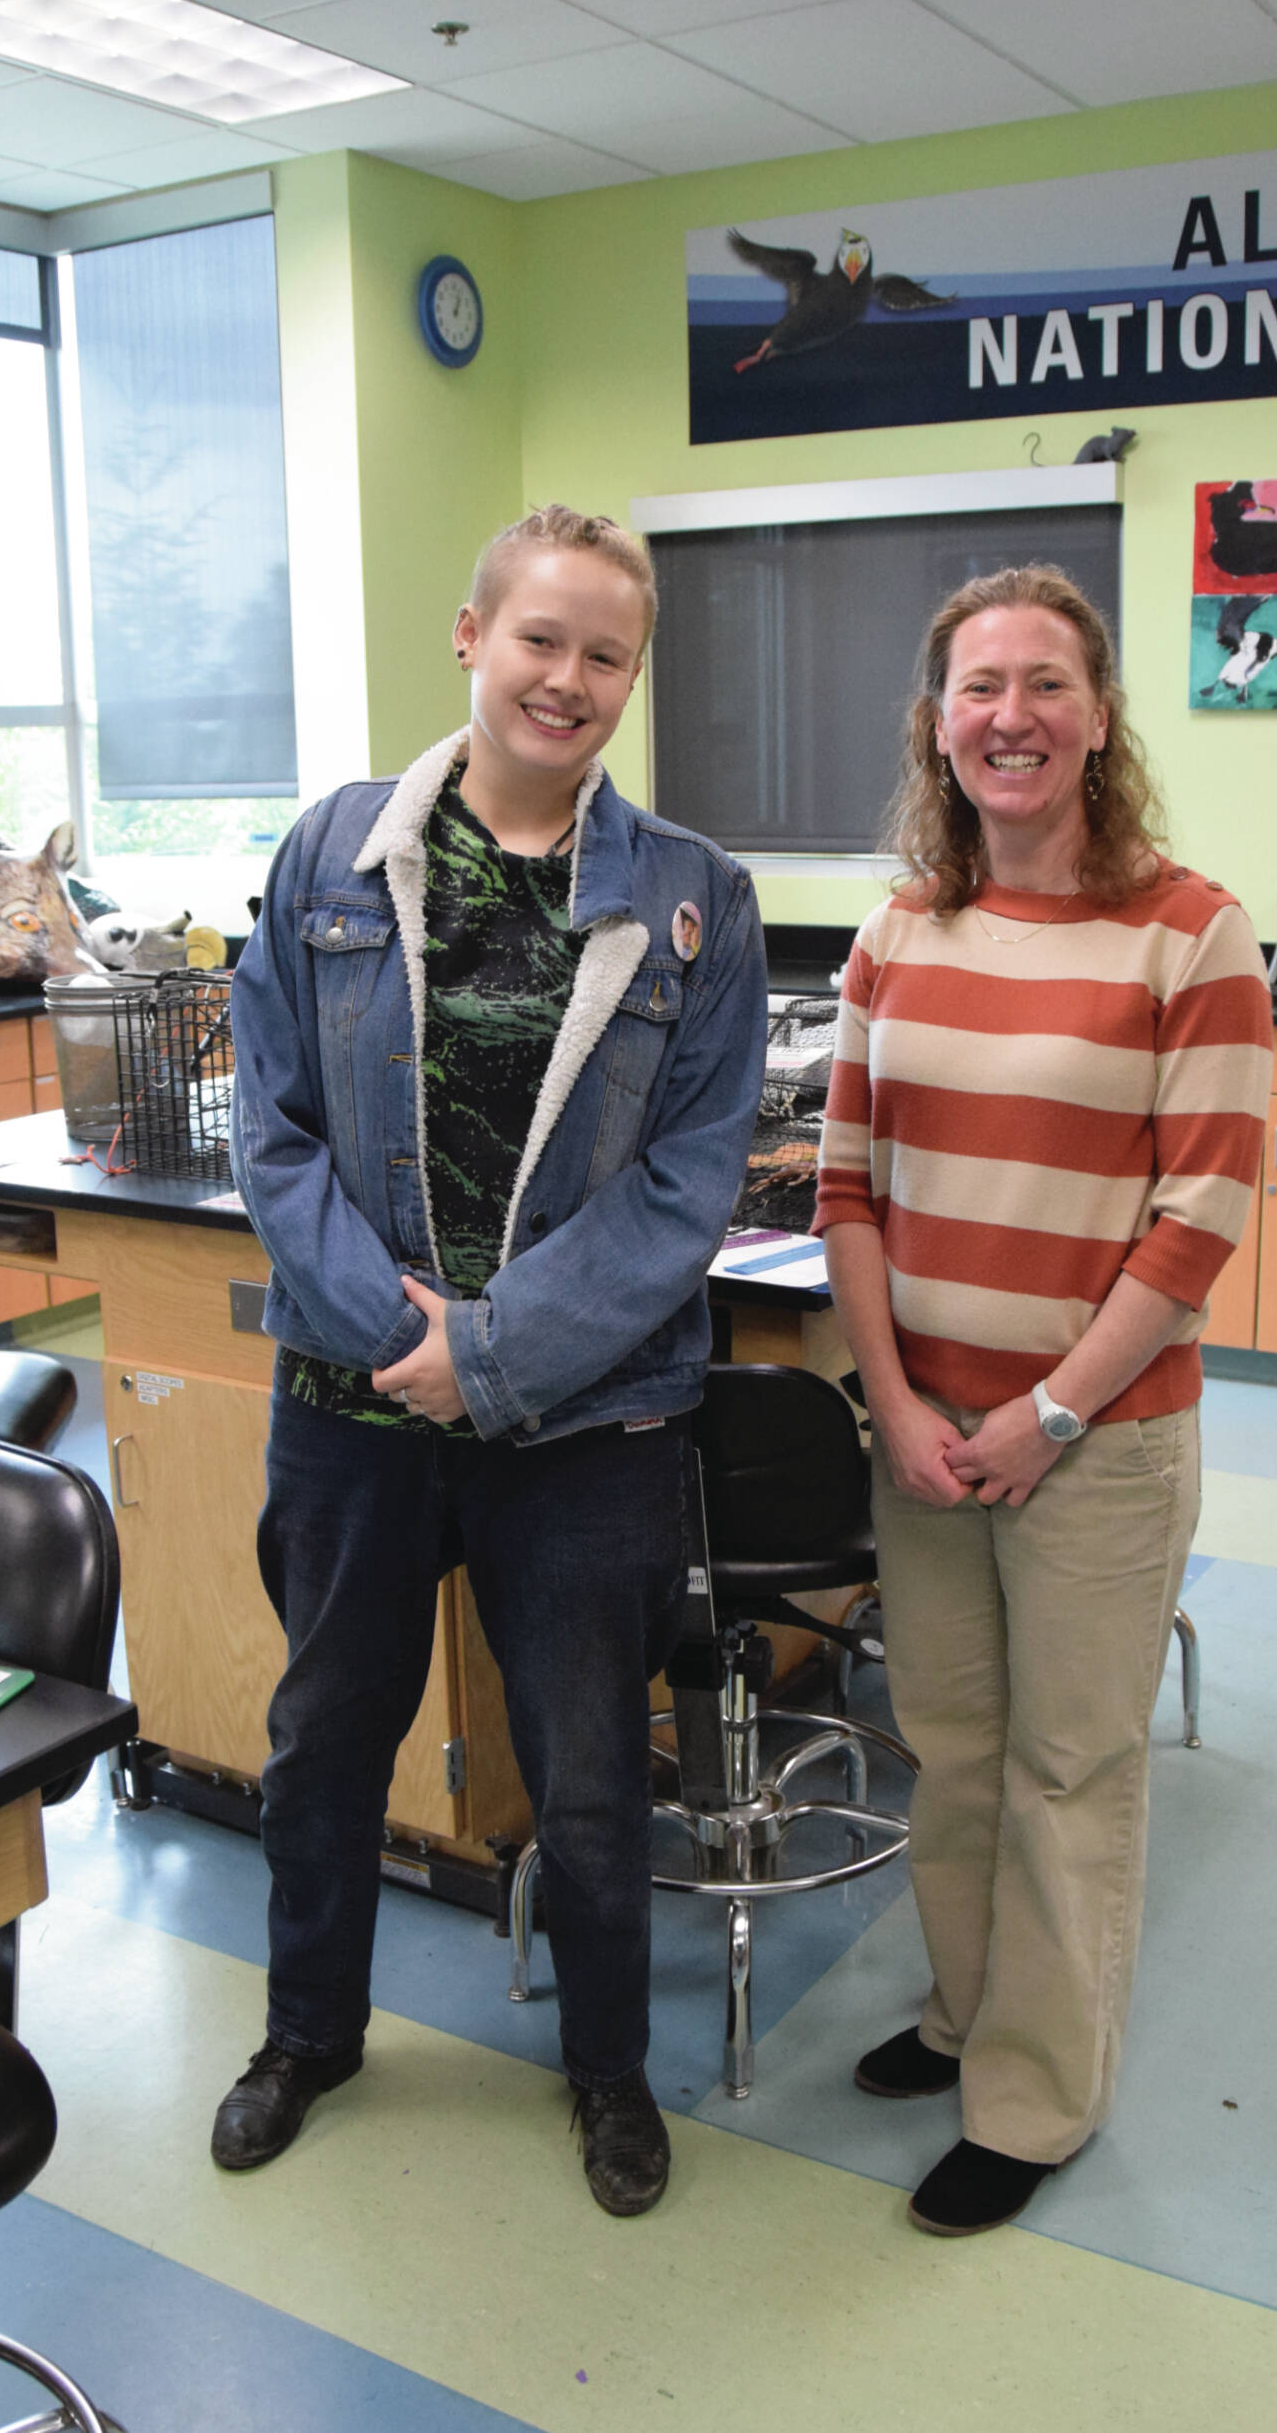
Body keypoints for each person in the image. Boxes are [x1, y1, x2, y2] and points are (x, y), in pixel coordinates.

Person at [216, 506, 767, 2216]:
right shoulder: (326, 858)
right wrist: (409, 1346)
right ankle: (309, 2029)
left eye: (609, 655)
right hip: (354, 1409)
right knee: (322, 1743)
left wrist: (499, 1357)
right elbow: (276, 1130)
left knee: (591, 1773)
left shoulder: (693, 902)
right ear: (471, 637)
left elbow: (685, 1190)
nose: (571, 679)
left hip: (588, 1423)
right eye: (542, 639)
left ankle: (608, 2068)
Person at [814, 563, 1271, 2236]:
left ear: (1096, 718)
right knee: (949, 1749)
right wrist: (895, 1397)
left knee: (1069, 1773)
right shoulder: (898, 930)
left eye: (1046, 685)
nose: (1011, 715)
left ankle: (1035, 2097)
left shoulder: (1188, 929)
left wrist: (1052, 1414)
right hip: (927, 1433)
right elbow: (847, 1188)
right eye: (980, 686)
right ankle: (962, 2014)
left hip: (1098, 1447)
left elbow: (1201, 1212)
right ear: (939, 723)